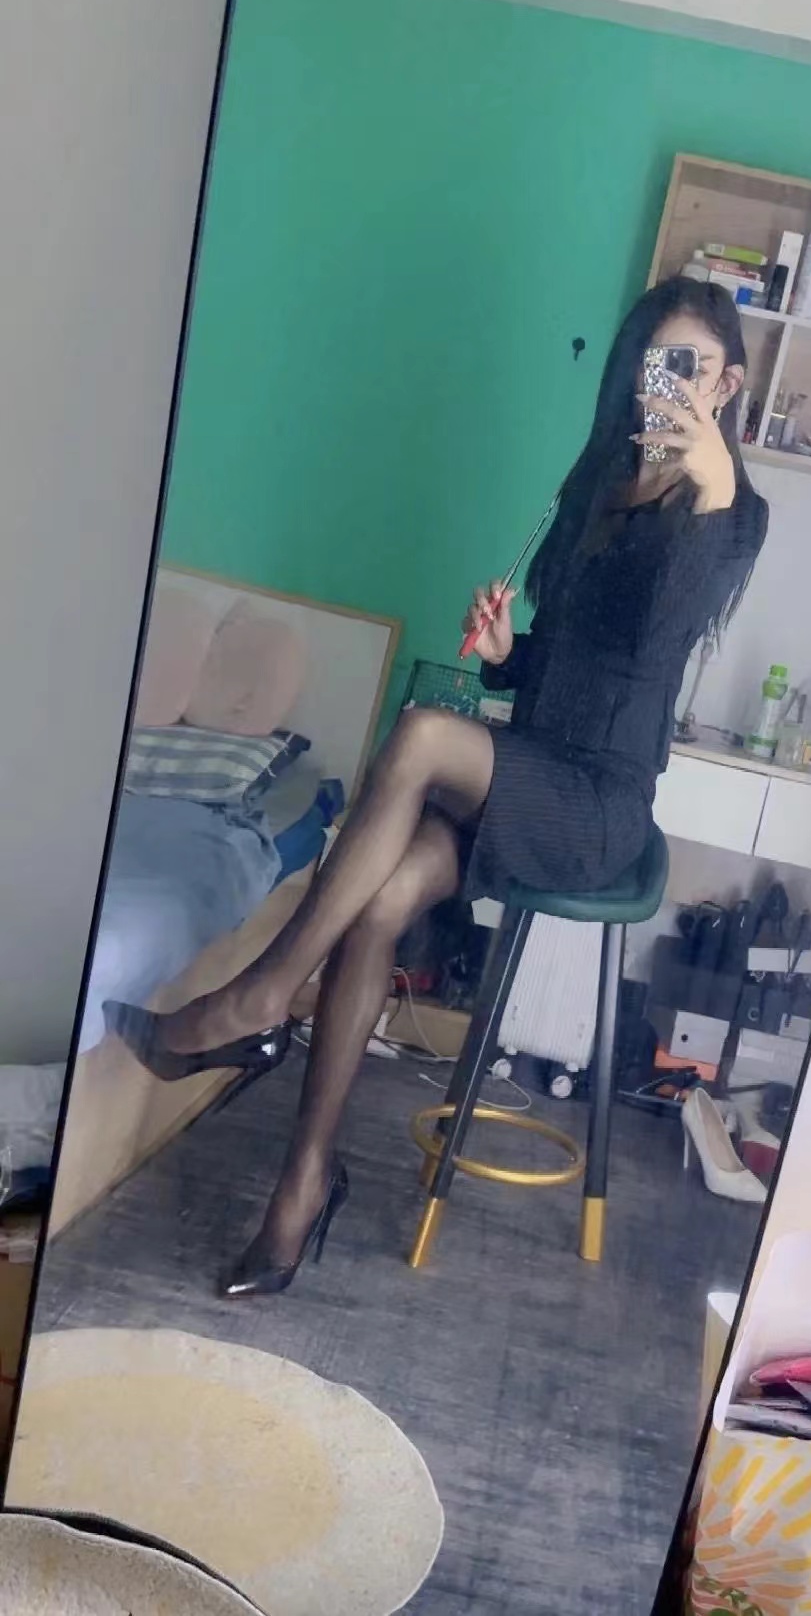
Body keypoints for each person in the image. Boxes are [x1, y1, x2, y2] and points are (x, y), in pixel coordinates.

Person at [105, 276, 768, 1296]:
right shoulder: (601, 479)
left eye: (691, 366)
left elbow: (653, 649)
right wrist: (505, 654)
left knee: (419, 734)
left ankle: (257, 996)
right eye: (654, 362)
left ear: (727, 383)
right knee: (379, 900)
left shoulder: (734, 515)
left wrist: (711, 489)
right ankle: (301, 1191)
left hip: (597, 805)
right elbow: (564, 660)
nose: (667, 382)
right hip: (529, 767)